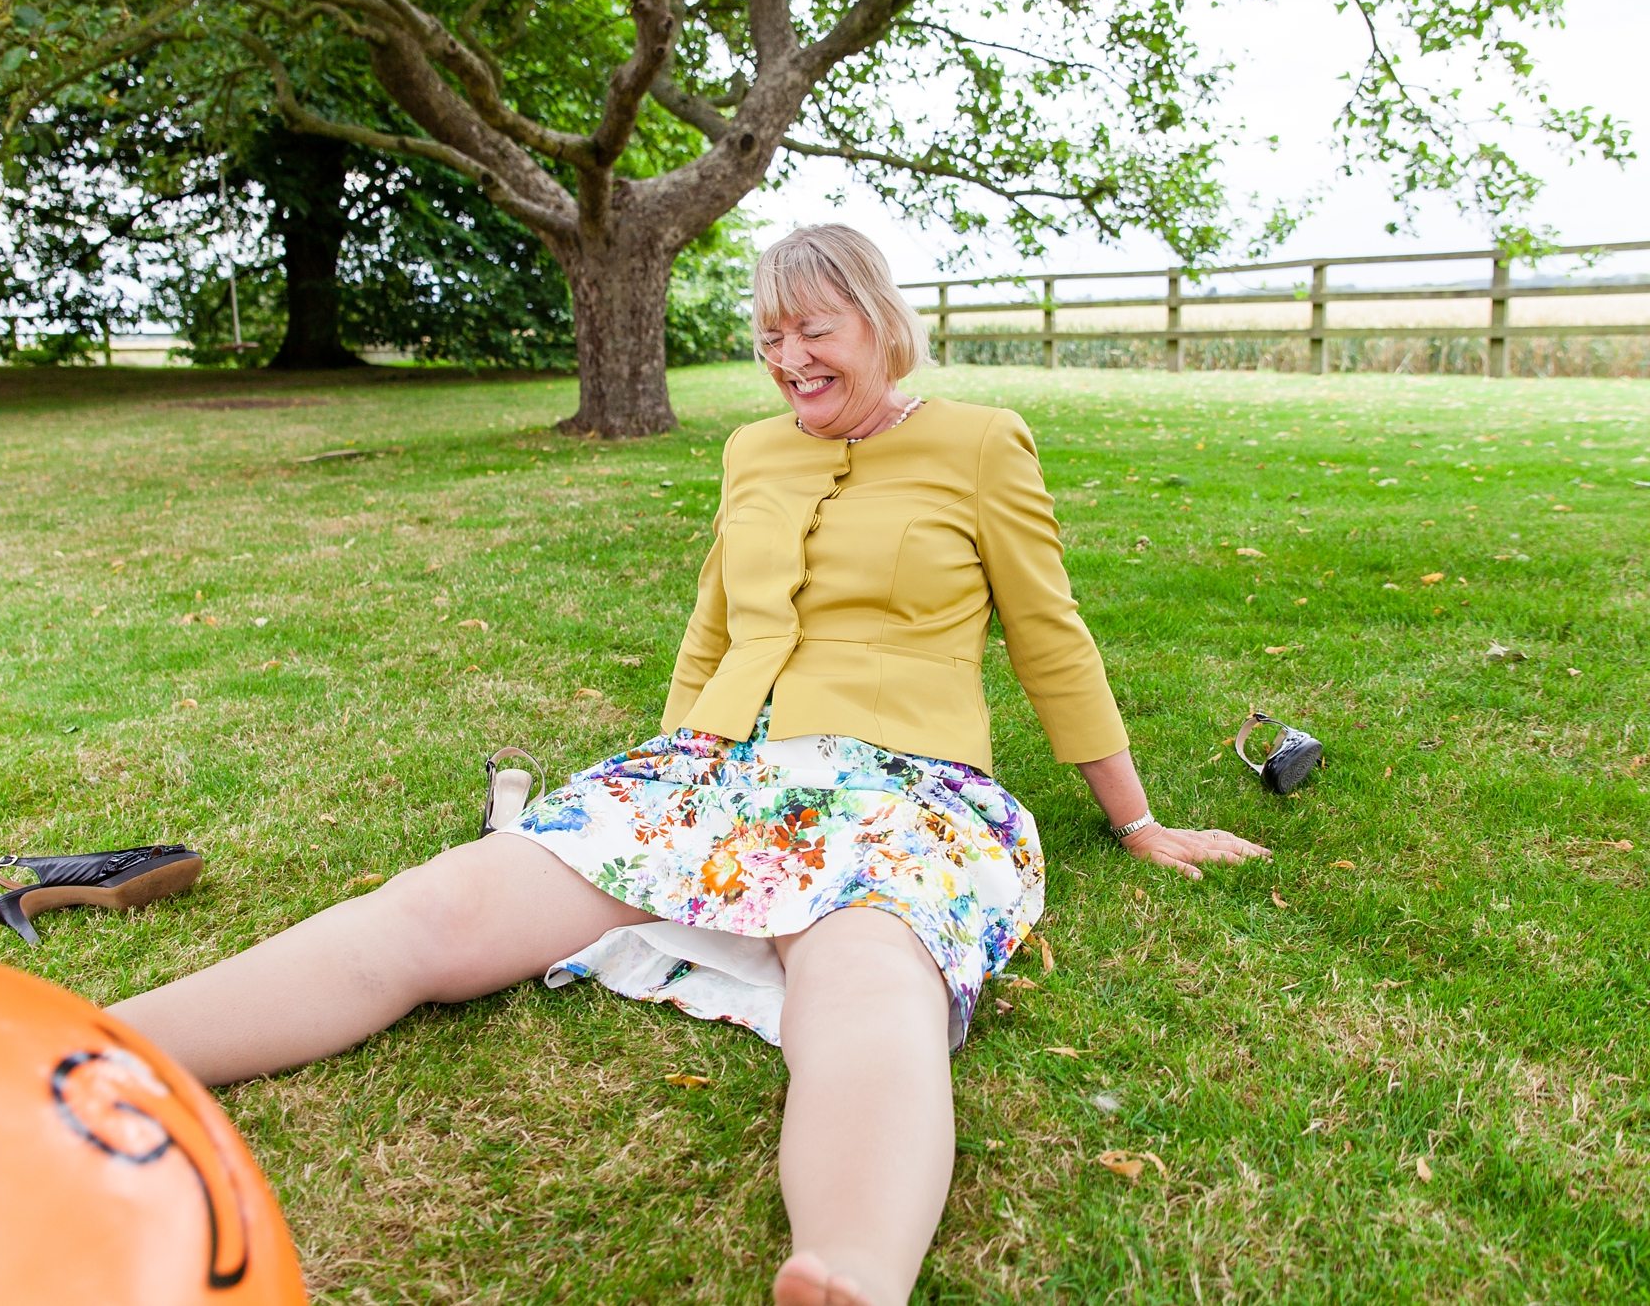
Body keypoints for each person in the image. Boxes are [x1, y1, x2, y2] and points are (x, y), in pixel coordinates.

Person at [109, 224, 1270, 1306]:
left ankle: (851, 1272)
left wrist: (1135, 822)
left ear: (880, 322)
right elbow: (711, 633)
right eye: (768, 335)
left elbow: (1050, 639)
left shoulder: (978, 442)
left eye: (812, 329)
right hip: (712, 773)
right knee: (441, 907)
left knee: (864, 979)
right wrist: (659, 777)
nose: (787, 357)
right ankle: (84, 1048)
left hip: (899, 785)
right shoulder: (750, 452)